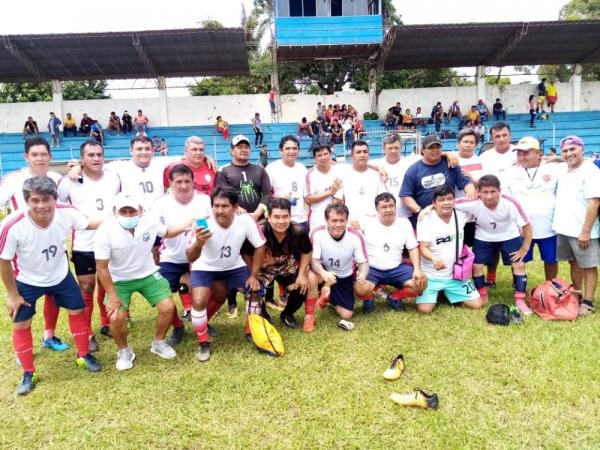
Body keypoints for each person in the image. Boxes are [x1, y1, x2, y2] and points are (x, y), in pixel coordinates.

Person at [1, 176, 102, 395]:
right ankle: (29, 372)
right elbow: (4, 260)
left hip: (60, 275)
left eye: (46, 199)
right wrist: (12, 294)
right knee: (21, 323)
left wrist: (121, 218)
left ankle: (83, 355)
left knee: (78, 310)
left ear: (55, 198)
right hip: (27, 280)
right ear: (27, 200)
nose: (41, 205)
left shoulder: (67, 212)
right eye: (35, 200)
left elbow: (90, 223)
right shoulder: (12, 225)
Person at [94, 193, 191, 371]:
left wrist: (186, 225)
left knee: (168, 307)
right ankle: (124, 351)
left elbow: (167, 232)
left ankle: (158, 343)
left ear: (140, 210)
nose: (129, 215)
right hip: (119, 279)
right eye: (124, 211)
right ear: (115, 211)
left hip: (147, 273)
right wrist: (112, 295)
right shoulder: (105, 230)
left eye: (132, 211)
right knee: (116, 317)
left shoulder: (149, 222)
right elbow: (101, 267)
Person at [0, 138, 66, 351]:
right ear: (26, 156)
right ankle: (23, 350)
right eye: (34, 154)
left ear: (50, 157)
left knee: (54, 290)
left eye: (43, 154)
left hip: (53, 243)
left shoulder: (57, 178)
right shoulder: (13, 179)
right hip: (25, 247)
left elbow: (63, 206)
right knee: (23, 297)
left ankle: (49, 335)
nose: (39, 158)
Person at [186, 187, 266, 362]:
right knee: (199, 300)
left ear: (236, 207)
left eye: (225, 206)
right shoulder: (202, 223)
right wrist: (198, 243)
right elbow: (190, 256)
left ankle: (251, 331)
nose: (219, 211)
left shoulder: (245, 221)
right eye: (216, 206)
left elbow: (260, 246)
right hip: (204, 266)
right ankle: (203, 342)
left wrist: (253, 275)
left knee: (253, 290)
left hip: (233, 265)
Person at [58, 140, 121, 351]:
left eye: (99, 154)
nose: (96, 158)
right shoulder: (69, 181)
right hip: (84, 243)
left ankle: (106, 324)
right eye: (91, 155)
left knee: (106, 284)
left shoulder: (113, 177)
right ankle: (87, 332)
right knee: (86, 287)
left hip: (110, 241)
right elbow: (56, 204)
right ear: (81, 158)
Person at [455, 175, 532, 314]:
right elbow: (448, 202)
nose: (489, 196)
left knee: (519, 265)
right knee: (476, 266)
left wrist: (524, 248)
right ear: (478, 192)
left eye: (493, 192)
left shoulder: (510, 203)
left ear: (499, 191)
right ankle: (482, 294)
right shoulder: (472, 202)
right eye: (485, 192)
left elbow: (527, 225)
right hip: (484, 237)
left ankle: (520, 300)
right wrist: (427, 209)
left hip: (509, 235)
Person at [151, 164, 212, 344]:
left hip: (200, 256)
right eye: (178, 182)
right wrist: (184, 226)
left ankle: (202, 321)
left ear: (193, 182)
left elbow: (212, 224)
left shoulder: (204, 200)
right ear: (170, 183)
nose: (184, 185)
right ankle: (177, 326)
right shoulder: (161, 203)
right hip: (171, 257)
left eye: (187, 181)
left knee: (203, 293)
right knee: (161, 296)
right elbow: (160, 231)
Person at [215, 134, 272, 314]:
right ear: (232, 150)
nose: (243, 149)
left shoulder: (259, 169)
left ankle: (264, 298)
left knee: (260, 256)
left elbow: (267, 193)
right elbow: (223, 194)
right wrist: (237, 207)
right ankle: (232, 303)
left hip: (259, 221)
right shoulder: (223, 171)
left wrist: (257, 213)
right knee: (234, 258)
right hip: (235, 223)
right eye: (239, 146)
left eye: (246, 146)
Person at [552, 135, 600, 317]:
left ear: (582, 149)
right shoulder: (564, 169)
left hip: (583, 229)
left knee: (588, 265)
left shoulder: (591, 171)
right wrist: (551, 158)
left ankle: (588, 302)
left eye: (573, 149)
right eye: (565, 150)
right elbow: (551, 161)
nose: (569, 153)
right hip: (565, 227)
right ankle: (578, 294)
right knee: (574, 262)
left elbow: (594, 203)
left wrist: (586, 232)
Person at [416, 185, 483, 313]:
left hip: (455, 276)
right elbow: (423, 248)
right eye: (441, 200)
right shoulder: (425, 219)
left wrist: (429, 207)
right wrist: (434, 258)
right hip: (431, 276)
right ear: (434, 203)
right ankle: (439, 292)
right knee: (424, 310)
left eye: (449, 199)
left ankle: (446, 292)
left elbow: (480, 200)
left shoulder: (461, 214)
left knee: (477, 304)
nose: (446, 203)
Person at [359, 193, 427, 313]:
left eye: (391, 206)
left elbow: (412, 248)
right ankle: (368, 298)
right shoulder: (366, 222)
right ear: (376, 209)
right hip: (372, 269)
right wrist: (350, 223)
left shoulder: (404, 223)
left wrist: (417, 269)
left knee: (421, 283)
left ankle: (394, 297)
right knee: (360, 288)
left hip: (396, 268)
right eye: (384, 207)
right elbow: (347, 227)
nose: (389, 209)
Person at [505, 137, 560, 281]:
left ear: (538, 153)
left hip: (548, 227)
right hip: (521, 228)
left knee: (551, 260)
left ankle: (551, 286)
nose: (522, 156)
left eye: (526, 153)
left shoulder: (554, 169)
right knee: (518, 259)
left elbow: (579, 160)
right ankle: (519, 286)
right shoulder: (511, 172)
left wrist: (555, 158)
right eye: (519, 153)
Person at [259, 198, 317, 331]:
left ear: (290, 217)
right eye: (276, 217)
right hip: (262, 268)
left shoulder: (298, 230)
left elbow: (307, 251)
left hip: (285, 265)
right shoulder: (259, 230)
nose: (281, 221)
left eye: (285, 217)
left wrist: (302, 274)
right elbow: (246, 253)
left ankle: (287, 314)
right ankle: (263, 316)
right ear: (268, 217)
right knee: (254, 291)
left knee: (301, 287)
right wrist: (252, 271)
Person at [310, 204, 370, 328]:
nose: (338, 224)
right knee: (311, 275)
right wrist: (323, 273)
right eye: (334, 220)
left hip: (344, 274)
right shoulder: (316, 233)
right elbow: (313, 260)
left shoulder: (356, 236)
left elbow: (363, 262)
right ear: (326, 220)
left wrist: (363, 274)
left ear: (347, 220)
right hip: (323, 270)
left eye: (342, 220)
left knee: (346, 315)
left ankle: (327, 295)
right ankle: (309, 316)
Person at [400, 135, 476, 227]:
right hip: (425, 220)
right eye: (431, 148)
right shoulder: (413, 170)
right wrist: (419, 210)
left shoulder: (450, 165)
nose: (435, 150)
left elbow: (466, 182)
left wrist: (471, 191)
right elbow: (405, 195)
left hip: (448, 218)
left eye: (438, 147)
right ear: (422, 150)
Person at [339, 140, 386, 228]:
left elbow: (383, 200)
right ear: (352, 156)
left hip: (374, 223)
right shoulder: (343, 175)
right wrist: (346, 219)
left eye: (365, 152)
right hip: (351, 223)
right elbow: (338, 202)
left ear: (368, 155)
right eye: (358, 152)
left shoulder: (376, 175)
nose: (362, 155)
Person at [266, 135, 307, 230]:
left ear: (298, 150)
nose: (291, 151)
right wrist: (278, 197)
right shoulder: (271, 169)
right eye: (287, 148)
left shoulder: (302, 168)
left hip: (301, 219)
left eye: (294, 148)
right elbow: (264, 194)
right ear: (281, 151)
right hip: (280, 220)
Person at [304, 144, 344, 231]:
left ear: (330, 155)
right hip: (316, 221)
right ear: (315, 158)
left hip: (336, 220)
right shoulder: (310, 174)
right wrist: (330, 192)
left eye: (326, 154)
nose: (323, 157)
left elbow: (338, 200)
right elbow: (308, 199)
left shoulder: (339, 172)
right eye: (319, 155)